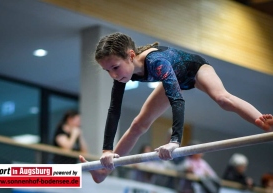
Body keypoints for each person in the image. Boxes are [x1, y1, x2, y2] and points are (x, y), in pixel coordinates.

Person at [79, 32, 273, 183]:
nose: (113, 75)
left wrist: (175, 141)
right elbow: (114, 110)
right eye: (107, 71)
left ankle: (263, 124)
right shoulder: (122, 75)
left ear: (131, 56)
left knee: (222, 99)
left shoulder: (157, 62)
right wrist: (106, 150)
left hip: (195, 70)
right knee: (138, 124)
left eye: (115, 67)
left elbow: (177, 100)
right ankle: (104, 171)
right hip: (173, 78)